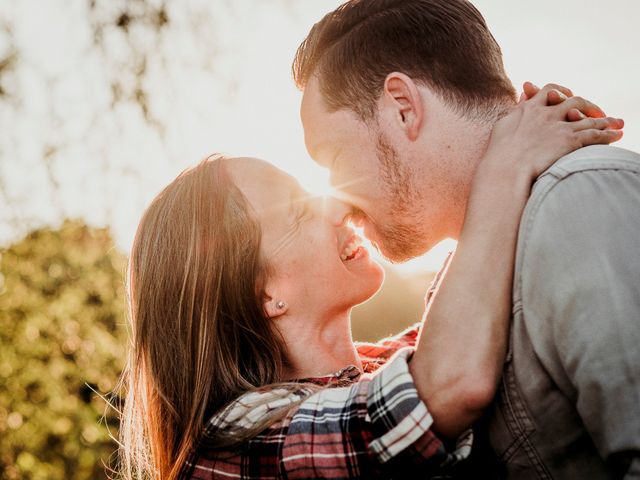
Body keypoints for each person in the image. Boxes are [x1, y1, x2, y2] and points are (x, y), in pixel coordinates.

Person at [116, 87, 621, 480]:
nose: (337, 204)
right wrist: (505, 164)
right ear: (264, 295)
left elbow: (464, 318)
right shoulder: (229, 449)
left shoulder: (382, 364)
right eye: (296, 211)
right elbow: (446, 385)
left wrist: (526, 132)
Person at [294, 0, 640, 478]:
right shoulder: (476, 269)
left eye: (333, 157)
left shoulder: (578, 202)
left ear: (402, 108)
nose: (336, 201)